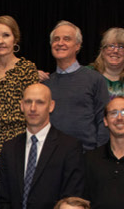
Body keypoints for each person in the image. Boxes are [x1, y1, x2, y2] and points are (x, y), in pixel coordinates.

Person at [0, 83, 84, 209]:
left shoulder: (69, 147)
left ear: (51, 106)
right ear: (21, 105)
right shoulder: (9, 148)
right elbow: (2, 198)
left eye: (40, 102)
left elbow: (71, 198)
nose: (33, 108)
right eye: (28, 102)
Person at [0, 15, 42, 176]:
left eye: (6, 35)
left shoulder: (27, 69)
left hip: (15, 145)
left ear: (15, 39)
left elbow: (33, 111)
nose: (0, 41)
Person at [42, 21, 109, 151]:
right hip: (51, 158)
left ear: (77, 46)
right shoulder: (45, 84)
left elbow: (103, 121)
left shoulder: (95, 79)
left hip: (86, 157)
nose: (60, 43)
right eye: (56, 39)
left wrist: (99, 156)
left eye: (67, 39)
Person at [90, 27, 124, 106]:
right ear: (102, 51)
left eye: (121, 47)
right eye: (111, 46)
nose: (115, 51)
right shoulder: (88, 75)